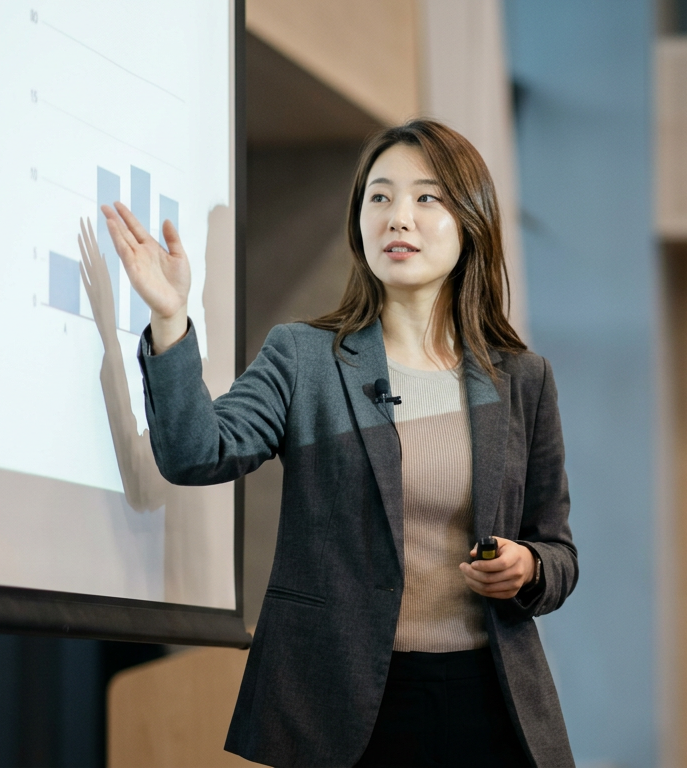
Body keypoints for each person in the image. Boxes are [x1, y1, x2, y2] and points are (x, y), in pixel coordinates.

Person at [96, 119, 577, 767]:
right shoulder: (305, 358)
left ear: (472, 223)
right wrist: (171, 318)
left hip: (488, 699)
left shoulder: (521, 379)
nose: (398, 217)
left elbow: (558, 549)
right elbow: (194, 452)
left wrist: (528, 567)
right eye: (379, 197)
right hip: (345, 703)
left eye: (425, 198)